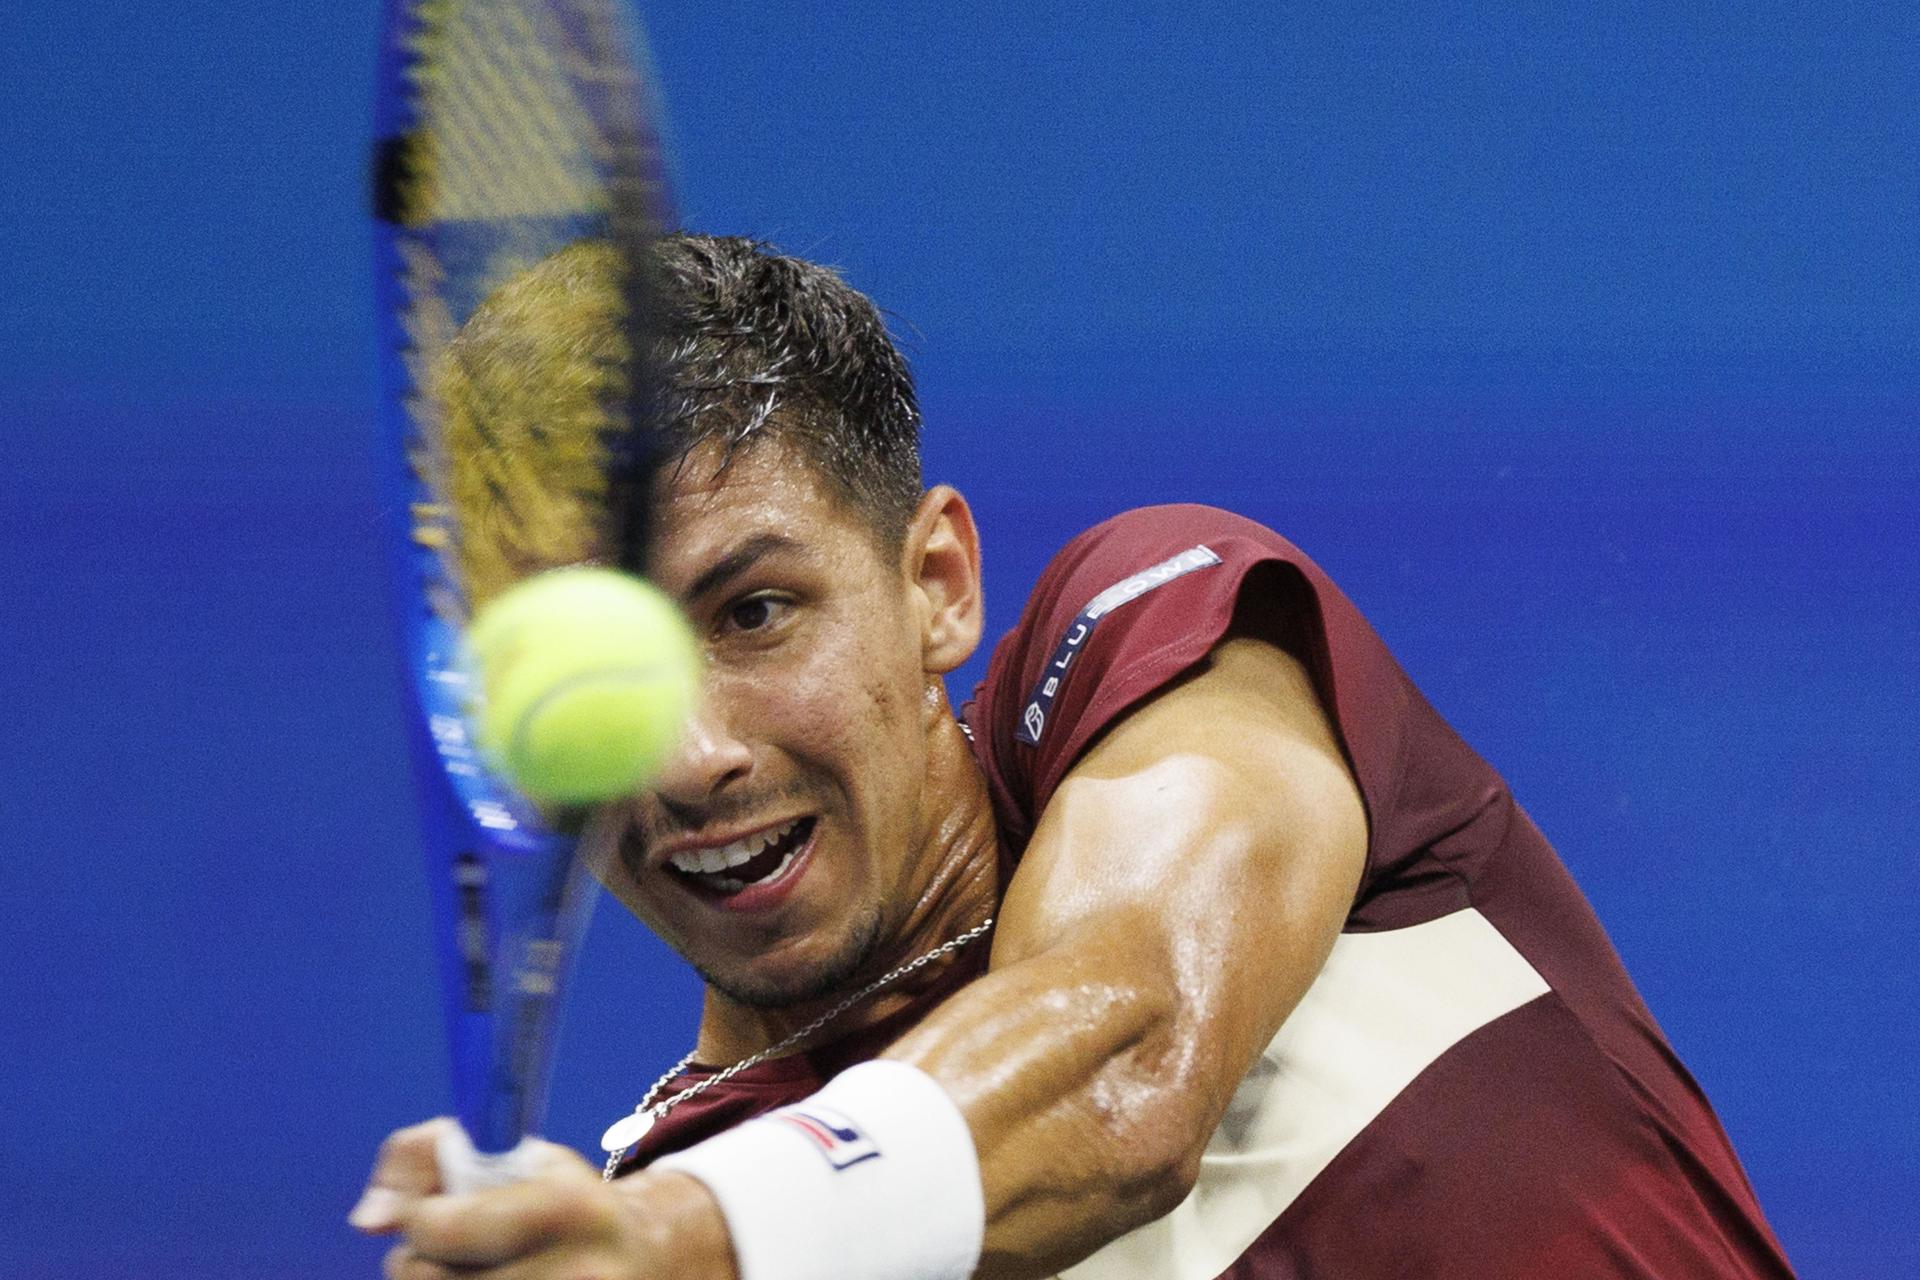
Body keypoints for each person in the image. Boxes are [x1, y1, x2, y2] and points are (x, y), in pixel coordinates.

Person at [353, 236, 1794, 1279]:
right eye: (604, 692)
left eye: (755, 613)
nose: (690, 755)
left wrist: (683, 1239)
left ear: (937, 584)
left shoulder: (1161, 627)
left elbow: (1125, 1056)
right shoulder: (667, 1216)